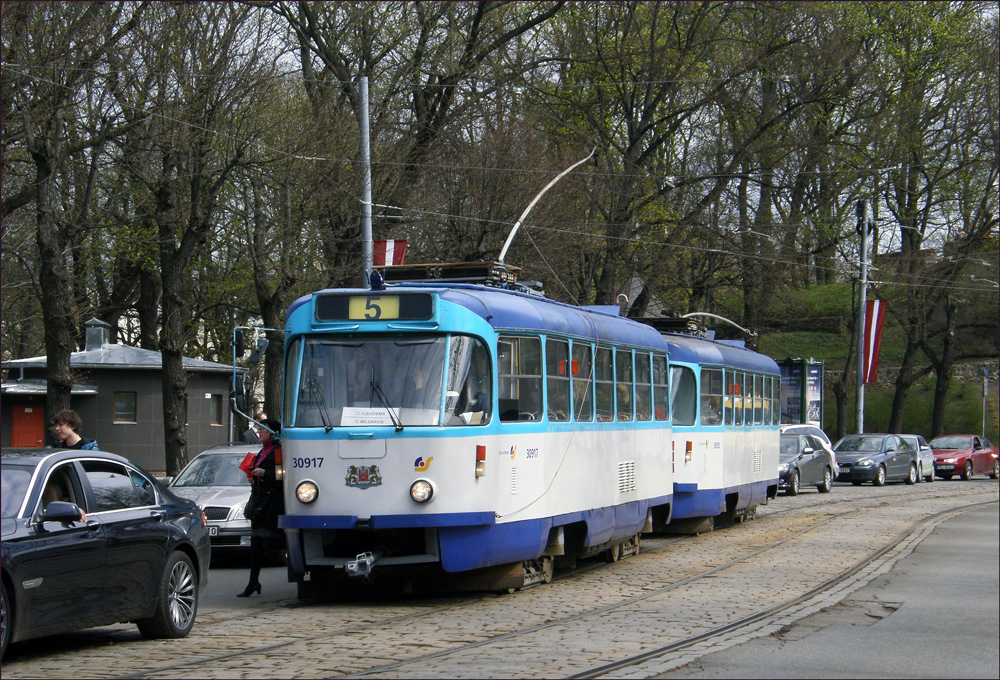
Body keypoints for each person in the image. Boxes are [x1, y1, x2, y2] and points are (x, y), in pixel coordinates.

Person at [238, 419, 285, 598]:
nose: (259, 433)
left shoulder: (278, 450)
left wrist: (265, 474)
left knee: (271, 541)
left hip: (272, 503)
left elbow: (282, 476)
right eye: (258, 430)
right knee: (256, 543)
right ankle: (252, 582)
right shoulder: (262, 451)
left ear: (273, 433)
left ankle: (254, 582)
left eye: (263, 430)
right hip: (259, 501)